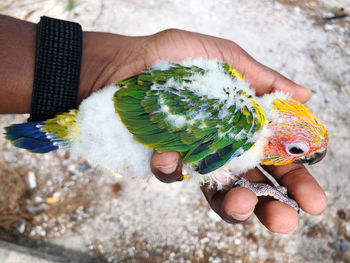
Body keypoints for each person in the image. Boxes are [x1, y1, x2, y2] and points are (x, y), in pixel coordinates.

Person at [0, 14, 327, 234]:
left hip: (111, 98)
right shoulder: (243, 127)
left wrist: (79, 71)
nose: (295, 157)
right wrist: (259, 185)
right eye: (295, 150)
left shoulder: (233, 83)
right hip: (109, 118)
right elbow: (207, 168)